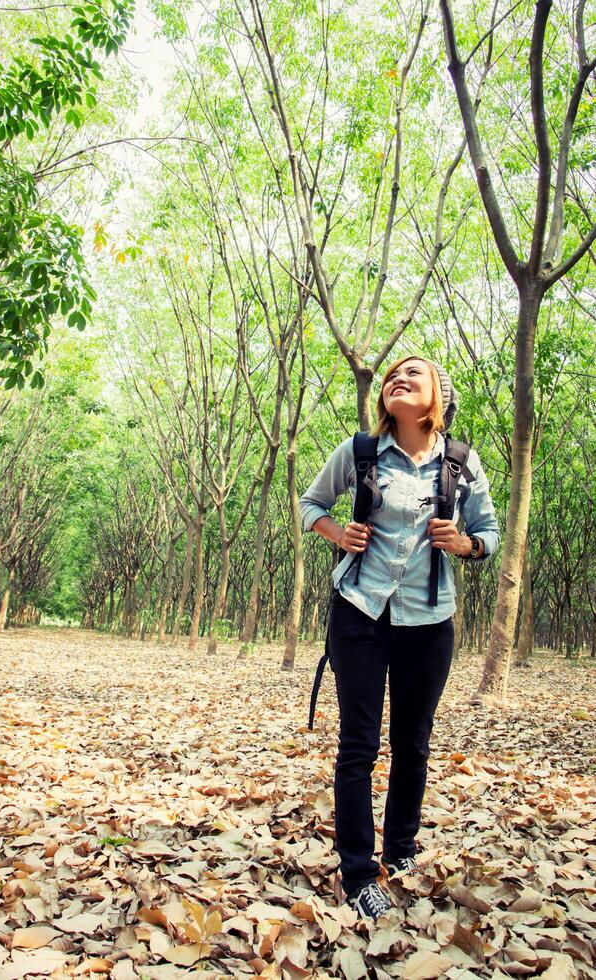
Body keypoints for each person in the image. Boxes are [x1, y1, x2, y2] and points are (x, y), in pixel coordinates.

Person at [298, 355, 500, 921]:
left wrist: (464, 544)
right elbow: (310, 502)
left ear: (438, 394)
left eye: (414, 373)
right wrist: (338, 532)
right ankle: (359, 872)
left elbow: (489, 533)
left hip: (429, 621)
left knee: (413, 742)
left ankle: (402, 850)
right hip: (360, 613)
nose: (397, 380)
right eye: (391, 375)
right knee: (358, 744)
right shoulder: (360, 451)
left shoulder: (460, 465)